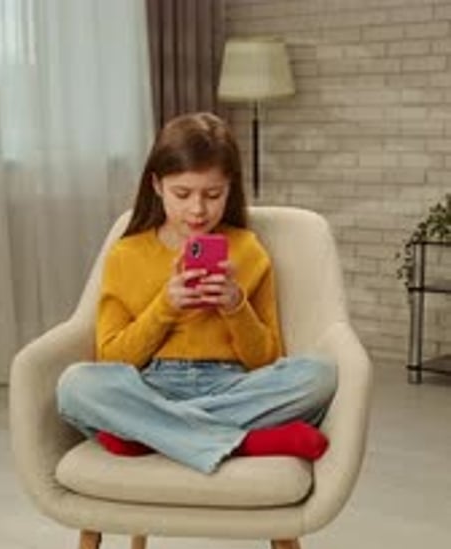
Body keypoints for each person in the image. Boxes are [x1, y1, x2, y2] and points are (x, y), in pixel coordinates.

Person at [57, 112, 337, 475]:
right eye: (183, 193)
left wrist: (236, 306)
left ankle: (149, 433)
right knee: (76, 385)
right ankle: (246, 441)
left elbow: (267, 361)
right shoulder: (126, 255)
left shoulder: (248, 250)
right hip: (151, 385)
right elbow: (112, 357)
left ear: (230, 188)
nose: (198, 209)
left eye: (213, 194)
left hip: (232, 384)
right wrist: (165, 307)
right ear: (157, 185)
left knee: (320, 375)